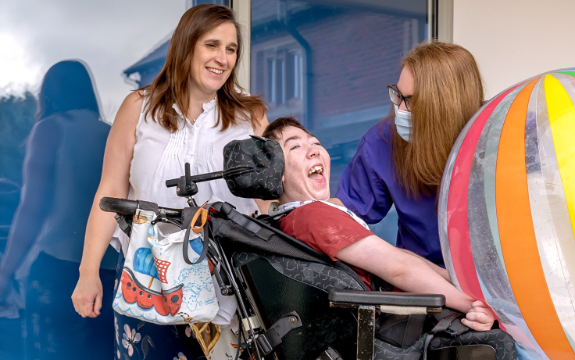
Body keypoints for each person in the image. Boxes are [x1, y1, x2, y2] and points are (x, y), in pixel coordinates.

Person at [71, 5, 268, 359]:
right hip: (145, 278)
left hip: (229, 285)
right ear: (186, 46)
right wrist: (88, 272)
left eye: (231, 49)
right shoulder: (138, 107)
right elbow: (110, 191)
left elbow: (269, 203)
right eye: (212, 45)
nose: (222, 58)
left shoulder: (249, 116)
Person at [263, 117, 493, 332]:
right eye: (295, 147)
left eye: (315, 142)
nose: (314, 150)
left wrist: (459, 281)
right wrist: (472, 304)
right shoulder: (313, 216)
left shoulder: (296, 217)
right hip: (399, 327)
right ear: (277, 173)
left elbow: (396, 256)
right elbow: (399, 268)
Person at [0, 60, 116, 359]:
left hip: (57, 269)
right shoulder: (111, 134)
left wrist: (6, 270)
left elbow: (32, 208)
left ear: (49, 93)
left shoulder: (50, 128)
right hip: (108, 271)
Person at [335, 41, 484, 267]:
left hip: (496, 278)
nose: (400, 111)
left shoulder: (499, 133)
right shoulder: (382, 142)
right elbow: (344, 217)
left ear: (447, 106)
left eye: (413, 101)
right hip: (424, 282)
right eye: (398, 95)